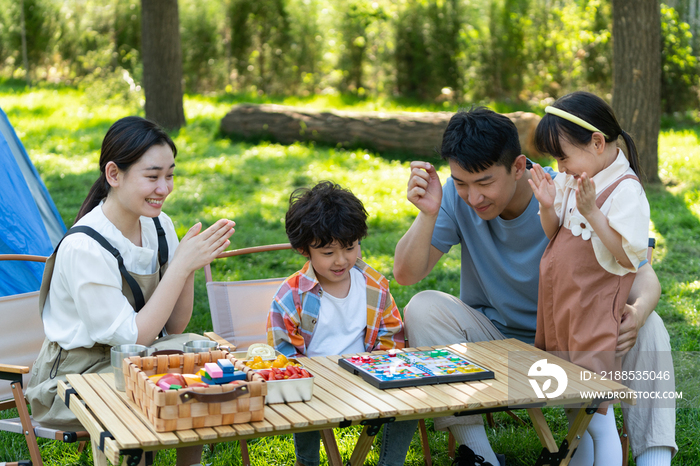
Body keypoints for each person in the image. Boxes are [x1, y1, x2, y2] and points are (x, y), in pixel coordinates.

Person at [392, 106, 677, 466]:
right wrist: (428, 213)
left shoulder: (564, 191)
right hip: (497, 346)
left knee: (650, 326)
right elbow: (404, 273)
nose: (473, 197)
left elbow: (641, 273)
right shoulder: (455, 195)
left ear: (518, 166)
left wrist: (637, 313)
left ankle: (654, 459)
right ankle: (480, 457)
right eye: (462, 182)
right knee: (422, 306)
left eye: (484, 183)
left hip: (572, 341)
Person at [25, 116, 235, 466]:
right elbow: (131, 337)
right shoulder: (85, 247)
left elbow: (177, 326)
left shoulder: (159, 225)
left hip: (135, 362)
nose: (164, 189)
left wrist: (189, 267)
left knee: (204, 363)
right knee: (149, 388)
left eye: (169, 175)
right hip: (70, 382)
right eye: (152, 177)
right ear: (113, 175)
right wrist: (180, 266)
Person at [528, 91, 650, 465]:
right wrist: (548, 205)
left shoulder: (625, 190)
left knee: (597, 415)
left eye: (562, 156)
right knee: (574, 406)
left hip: (591, 316)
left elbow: (628, 256)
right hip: (563, 309)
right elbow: (554, 234)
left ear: (597, 142)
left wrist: (593, 212)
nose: (558, 166)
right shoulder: (577, 178)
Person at [266, 181, 406, 466]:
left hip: (368, 378)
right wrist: (313, 378)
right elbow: (283, 357)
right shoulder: (292, 296)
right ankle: (307, 461)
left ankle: (391, 462)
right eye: (328, 253)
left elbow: (392, 338)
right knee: (298, 394)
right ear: (304, 250)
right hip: (314, 387)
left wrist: (379, 367)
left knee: (410, 399)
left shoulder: (375, 287)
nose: (341, 261)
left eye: (350, 247)